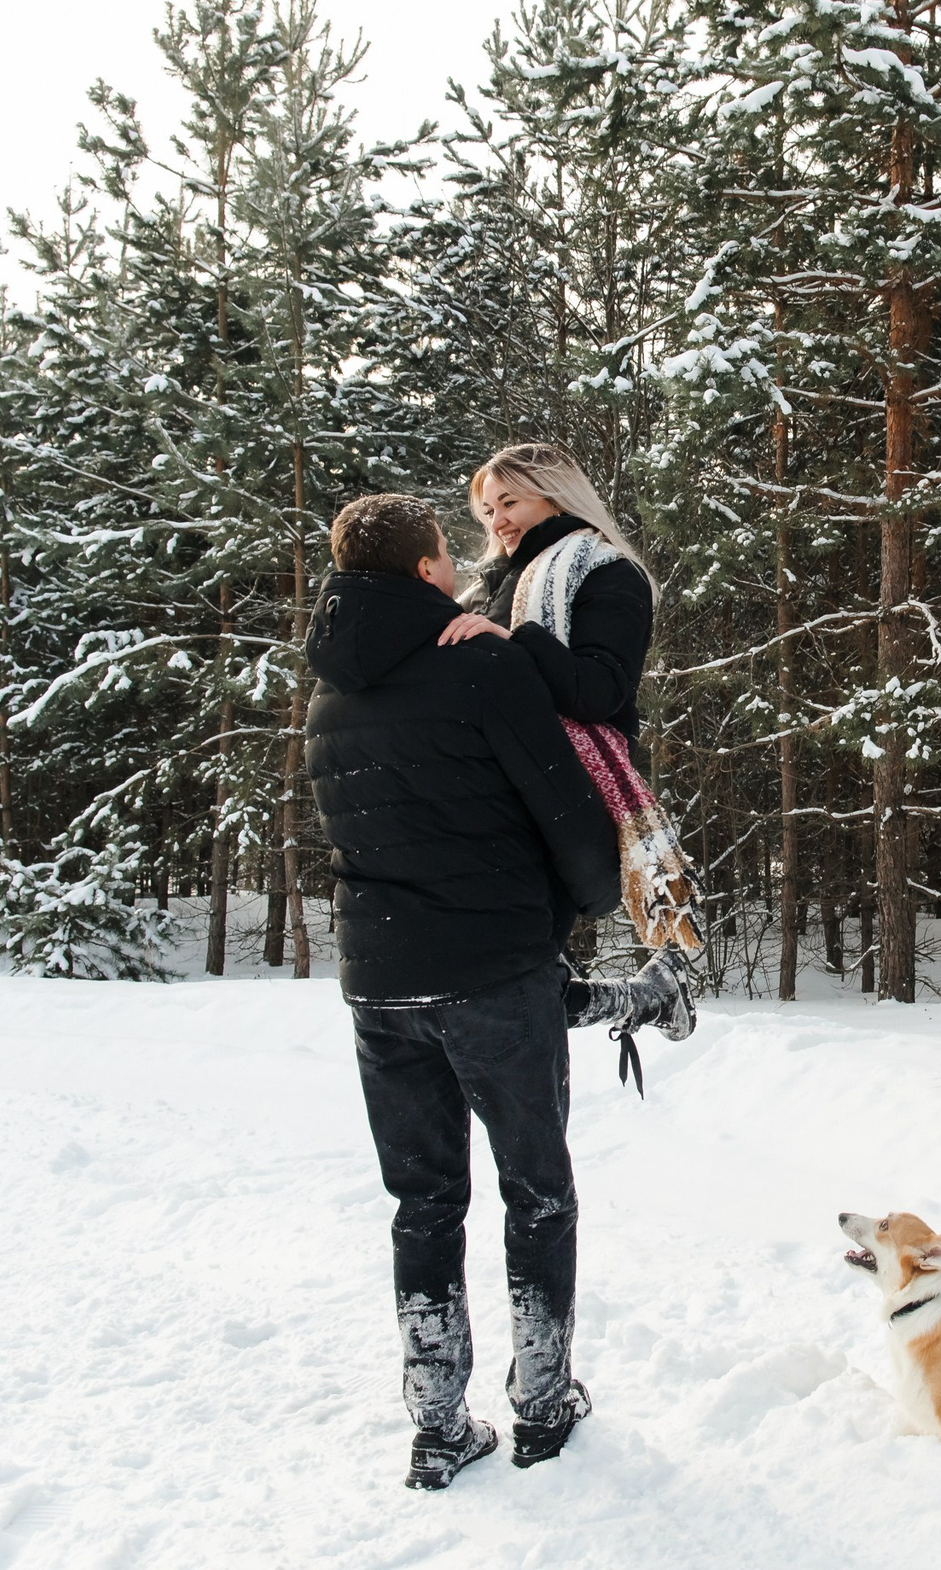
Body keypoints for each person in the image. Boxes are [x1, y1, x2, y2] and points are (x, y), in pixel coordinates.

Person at [303, 491, 620, 1490]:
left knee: (423, 1201)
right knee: (536, 1192)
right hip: (491, 968)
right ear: (430, 566)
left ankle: (438, 1423)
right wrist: (592, 897)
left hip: (378, 981)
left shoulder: (329, 690)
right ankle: (540, 1405)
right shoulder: (475, 661)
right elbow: (561, 800)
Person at [438, 444, 701, 1057]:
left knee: (513, 979)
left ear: (556, 495)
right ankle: (644, 998)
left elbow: (599, 692)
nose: (495, 521)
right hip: (486, 791)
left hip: (557, 790)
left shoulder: (608, 573)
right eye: (485, 511)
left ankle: (537, 1125)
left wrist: (515, 638)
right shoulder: (489, 585)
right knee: (499, 974)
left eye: (509, 502)